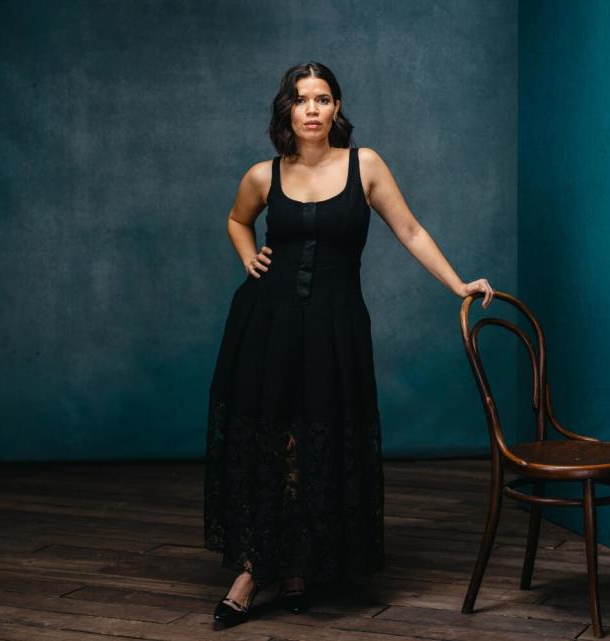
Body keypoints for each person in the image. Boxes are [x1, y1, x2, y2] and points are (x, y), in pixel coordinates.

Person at [203, 61, 494, 629]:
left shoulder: (367, 166)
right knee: (269, 441)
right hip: (265, 326)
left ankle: (299, 566)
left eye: (323, 98)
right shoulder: (264, 175)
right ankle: (251, 568)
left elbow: (409, 230)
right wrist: (247, 257)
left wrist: (457, 283)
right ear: (287, 109)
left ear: (338, 108)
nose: (312, 108)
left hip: (335, 332)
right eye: (301, 98)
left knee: (316, 440)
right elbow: (238, 222)